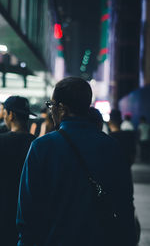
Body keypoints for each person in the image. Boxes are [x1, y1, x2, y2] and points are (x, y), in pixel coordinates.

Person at [16, 77, 136, 246]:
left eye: (52, 105)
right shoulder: (112, 147)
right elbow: (125, 204)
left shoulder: (41, 148)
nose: (51, 111)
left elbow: (28, 214)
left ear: (62, 109)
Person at [0, 96, 36, 246]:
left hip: (3, 209)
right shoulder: (36, 144)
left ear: (11, 115)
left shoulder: (1, 141)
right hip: (30, 213)